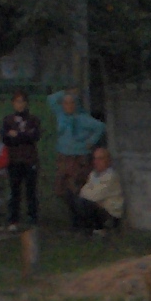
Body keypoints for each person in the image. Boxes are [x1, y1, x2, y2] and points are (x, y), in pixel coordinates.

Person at [53, 90, 106, 226]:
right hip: (63, 156)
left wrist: (91, 141)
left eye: (72, 103)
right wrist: (67, 91)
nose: (69, 106)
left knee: (77, 188)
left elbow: (100, 127)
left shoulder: (83, 118)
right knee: (61, 189)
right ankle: (75, 216)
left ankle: (82, 220)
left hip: (78, 157)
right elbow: (51, 99)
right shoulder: (60, 115)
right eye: (66, 103)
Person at [0, 89, 42, 227]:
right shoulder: (8, 120)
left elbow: (34, 136)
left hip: (30, 159)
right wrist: (23, 135)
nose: (20, 104)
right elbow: (6, 138)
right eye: (17, 101)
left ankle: (33, 218)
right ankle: (13, 219)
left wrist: (17, 135)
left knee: (31, 190)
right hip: (14, 160)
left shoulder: (33, 119)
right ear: (13, 103)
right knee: (15, 190)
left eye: (23, 101)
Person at [70, 143, 124, 235]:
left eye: (100, 159)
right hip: (98, 207)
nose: (96, 162)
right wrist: (88, 194)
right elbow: (83, 192)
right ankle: (82, 228)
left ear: (108, 161)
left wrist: (89, 194)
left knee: (83, 203)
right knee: (73, 198)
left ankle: (100, 228)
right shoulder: (93, 174)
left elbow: (94, 196)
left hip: (110, 214)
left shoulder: (111, 176)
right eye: (95, 159)